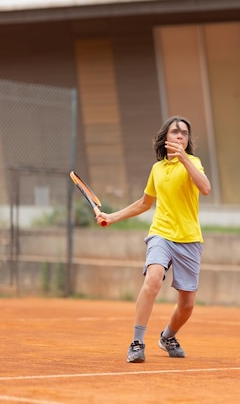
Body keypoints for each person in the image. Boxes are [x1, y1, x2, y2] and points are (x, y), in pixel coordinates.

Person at [96, 115, 211, 363]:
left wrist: (184, 159)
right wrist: (112, 217)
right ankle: (137, 342)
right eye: (175, 132)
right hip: (161, 233)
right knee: (153, 279)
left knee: (187, 306)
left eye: (185, 133)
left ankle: (168, 337)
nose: (180, 135)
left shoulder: (194, 163)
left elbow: (205, 188)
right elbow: (144, 203)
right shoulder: (157, 169)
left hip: (190, 239)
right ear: (165, 138)